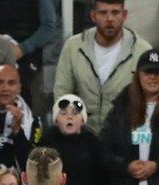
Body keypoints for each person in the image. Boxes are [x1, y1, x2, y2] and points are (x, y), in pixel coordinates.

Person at [54, 0, 151, 135]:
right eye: (103, 13)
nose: (109, 19)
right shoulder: (73, 46)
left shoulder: (142, 51)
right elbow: (62, 92)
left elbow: (148, 100)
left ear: (124, 15)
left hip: (123, 139)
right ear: (93, 16)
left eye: (115, 12)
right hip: (81, 136)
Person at [100, 49, 159, 185]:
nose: (153, 77)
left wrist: (157, 166)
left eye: (158, 72)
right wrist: (126, 166)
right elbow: (103, 150)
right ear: (137, 74)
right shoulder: (120, 109)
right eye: (148, 72)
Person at [40, 94, 108, 185]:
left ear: (82, 120)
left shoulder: (93, 143)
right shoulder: (47, 143)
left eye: (75, 113)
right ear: (55, 120)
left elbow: (103, 180)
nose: (69, 117)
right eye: (63, 113)